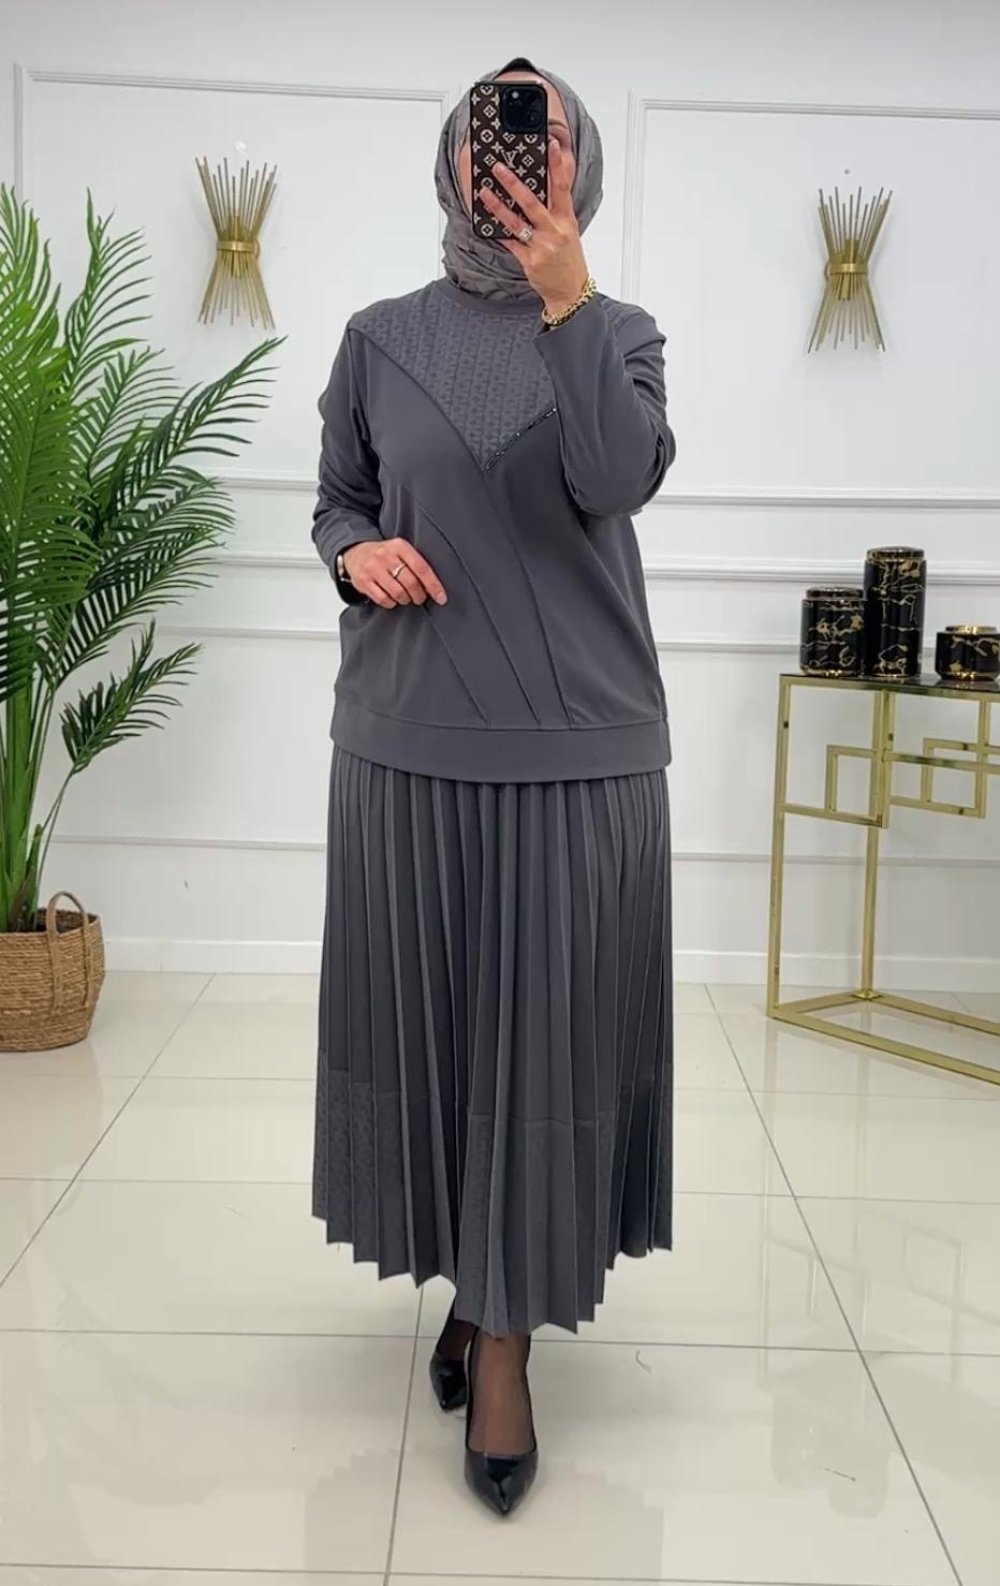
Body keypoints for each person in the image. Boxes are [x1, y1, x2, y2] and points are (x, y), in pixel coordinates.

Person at [311, 57, 675, 1518]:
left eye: (540, 130)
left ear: (578, 160)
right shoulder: (376, 338)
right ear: (453, 158)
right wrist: (352, 553)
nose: (512, 153)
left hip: (579, 753)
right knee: (448, 1042)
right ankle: (472, 1286)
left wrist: (568, 295)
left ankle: (508, 1339)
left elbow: (617, 477)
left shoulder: (621, 331)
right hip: (407, 740)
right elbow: (338, 496)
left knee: (546, 1050)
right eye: (491, 127)